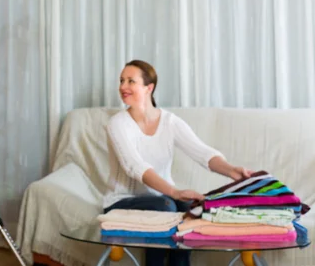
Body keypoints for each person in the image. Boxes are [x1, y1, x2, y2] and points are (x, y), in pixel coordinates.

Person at [104, 59, 253, 266]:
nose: (123, 87)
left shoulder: (169, 122)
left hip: (162, 198)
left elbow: (202, 152)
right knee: (165, 204)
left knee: (193, 208)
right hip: (122, 200)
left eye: (131, 81)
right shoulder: (117, 124)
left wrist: (231, 171)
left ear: (149, 87)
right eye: (121, 80)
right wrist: (174, 192)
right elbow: (134, 166)